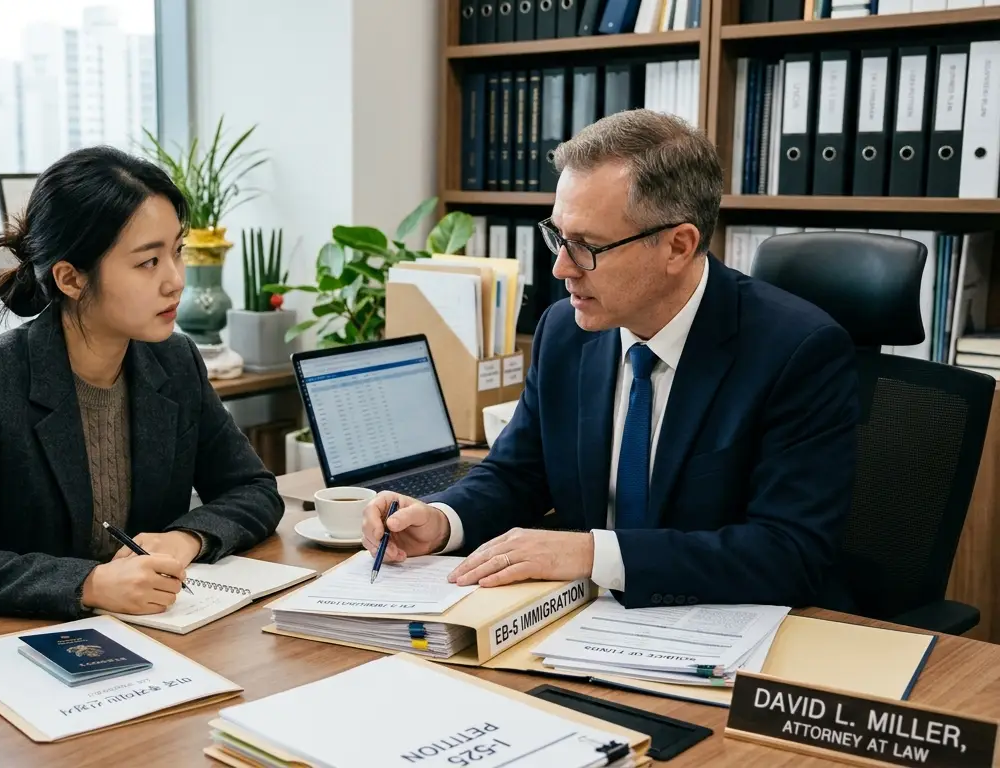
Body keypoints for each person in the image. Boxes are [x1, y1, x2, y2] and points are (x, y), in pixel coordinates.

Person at [361, 109, 860, 610]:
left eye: (586, 247)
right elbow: (518, 473)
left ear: (678, 246)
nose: (561, 268)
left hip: (726, 635)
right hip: (583, 624)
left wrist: (593, 553)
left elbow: (788, 552)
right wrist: (442, 521)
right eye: (558, 237)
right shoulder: (564, 331)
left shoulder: (797, 351)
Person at [0, 146, 283, 620]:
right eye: (148, 262)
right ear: (71, 278)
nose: (175, 280)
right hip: (18, 646)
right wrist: (90, 583)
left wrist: (188, 537)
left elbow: (253, 488)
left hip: (152, 633)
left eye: (177, 252)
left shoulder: (174, 360)